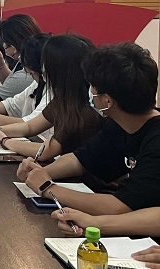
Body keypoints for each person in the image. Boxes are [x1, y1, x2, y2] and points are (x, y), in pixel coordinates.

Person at [18, 42, 160, 215]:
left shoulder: (155, 140)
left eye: (92, 86)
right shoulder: (120, 123)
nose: (90, 92)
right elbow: (80, 160)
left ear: (107, 101)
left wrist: (47, 188)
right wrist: (39, 172)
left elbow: (120, 206)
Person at [0, 34, 103, 162]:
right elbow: (30, 126)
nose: (42, 69)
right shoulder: (64, 99)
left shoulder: (84, 111)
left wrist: (4, 141)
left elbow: (47, 151)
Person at [0, 14, 39, 102]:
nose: (3, 45)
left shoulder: (26, 74)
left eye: (4, 41)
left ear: (13, 48)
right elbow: (10, 83)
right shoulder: (27, 59)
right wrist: (0, 63)